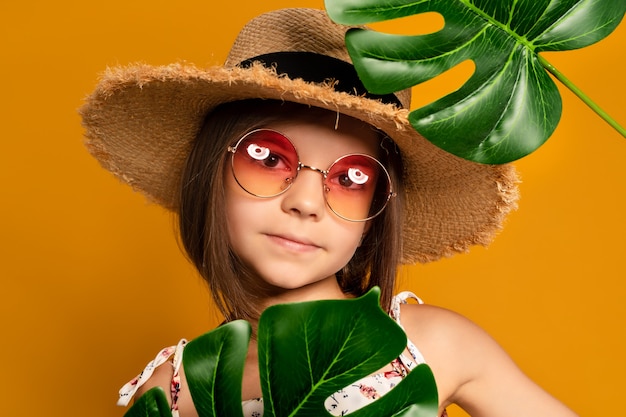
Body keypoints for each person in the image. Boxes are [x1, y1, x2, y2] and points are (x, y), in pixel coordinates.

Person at [80, 7, 578, 417]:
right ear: (212, 171)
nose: (305, 201)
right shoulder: (171, 390)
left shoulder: (429, 346)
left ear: (376, 212)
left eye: (352, 178)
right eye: (269, 158)